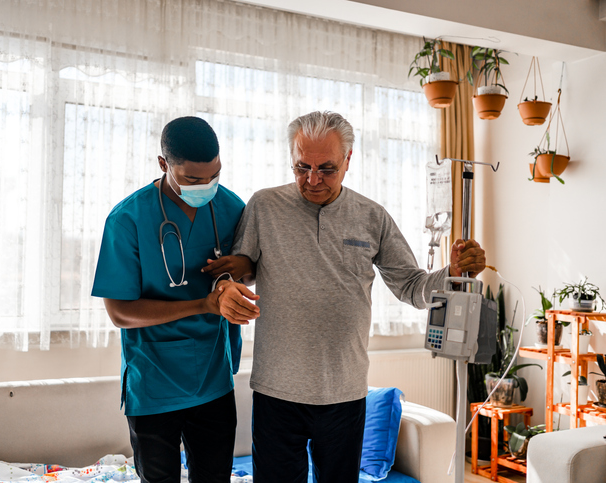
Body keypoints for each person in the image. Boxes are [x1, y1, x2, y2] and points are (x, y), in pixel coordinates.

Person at [205, 111, 486, 483]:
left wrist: (453, 273)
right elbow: (236, 270)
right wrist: (224, 288)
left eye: (327, 168)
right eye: (301, 167)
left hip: (345, 395)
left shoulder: (372, 217)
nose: (313, 179)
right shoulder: (264, 206)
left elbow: (411, 287)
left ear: (349, 160)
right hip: (277, 394)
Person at [91, 116, 256, 483]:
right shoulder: (128, 220)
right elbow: (119, 312)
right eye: (194, 180)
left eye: (214, 175)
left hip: (213, 378)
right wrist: (203, 304)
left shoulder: (231, 208)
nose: (207, 186)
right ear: (164, 165)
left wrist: (239, 272)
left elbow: (252, 269)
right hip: (154, 381)